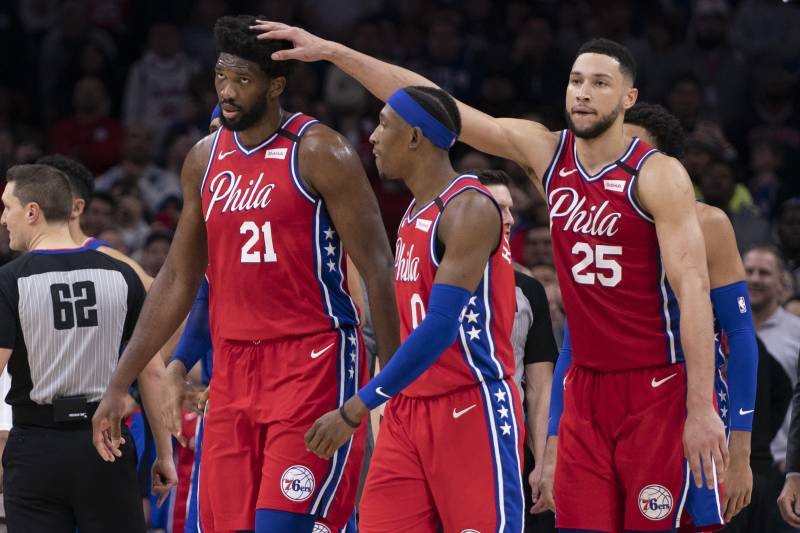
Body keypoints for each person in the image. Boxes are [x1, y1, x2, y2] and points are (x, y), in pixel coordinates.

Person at [253, 24, 727, 532]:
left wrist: (701, 408)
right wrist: (334, 52)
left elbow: (694, 292)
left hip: (655, 382)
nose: (584, 93)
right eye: (576, 81)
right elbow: (435, 103)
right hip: (585, 384)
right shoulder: (546, 152)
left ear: (628, 97)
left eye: (600, 83)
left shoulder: (657, 175)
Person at [92, 15, 400, 533]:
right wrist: (119, 382)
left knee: (283, 525)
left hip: (313, 361)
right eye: (220, 78)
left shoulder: (321, 151)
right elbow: (176, 278)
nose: (228, 93)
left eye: (242, 80)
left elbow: (377, 267)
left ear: (275, 85)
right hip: (232, 370)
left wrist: (390, 389)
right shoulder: (203, 159)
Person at [299, 85, 522, 532]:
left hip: (468, 406)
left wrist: (357, 406)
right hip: (407, 410)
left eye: (384, 125)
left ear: (416, 138)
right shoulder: (412, 213)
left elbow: (439, 328)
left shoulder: (469, 208)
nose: (374, 138)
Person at [543, 102, 759, 530]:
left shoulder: (708, 224)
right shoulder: (594, 223)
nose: (616, 160)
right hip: (597, 406)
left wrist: (741, 447)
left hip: (676, 400)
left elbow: (740, 335)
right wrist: (552, 442)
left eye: (630, 149)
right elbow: (573, 342)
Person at [0, 164, 145, 531]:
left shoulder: (9, 280)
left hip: (36, 443)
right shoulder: (123, 271)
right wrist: (165, 453)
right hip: (107, 440)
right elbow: (154, 370)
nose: (3, 219)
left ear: (32, 212)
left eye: (7, 207)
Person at [35, 153, 179, 515]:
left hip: (108, 425)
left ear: (73, 206)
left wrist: (129, 388)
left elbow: (176, 316)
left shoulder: (115, 263)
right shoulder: (25, 267)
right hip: (43, 429)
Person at [475, 169, 558, 532]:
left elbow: (540, 390)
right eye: (499, 209)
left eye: (511, 209)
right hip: (442, 439)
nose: (510, 219)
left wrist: (543, 462)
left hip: (511, 443)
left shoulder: (529, 289)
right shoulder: (425, 281)